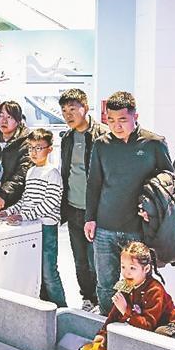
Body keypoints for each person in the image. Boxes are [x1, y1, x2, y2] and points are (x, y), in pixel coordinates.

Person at [85, 91, 173, 315]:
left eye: (122, 119)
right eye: (111, 120)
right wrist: (90, 218)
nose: (116, 126)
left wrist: (154, 209)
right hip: (104, 227)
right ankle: (107, 323)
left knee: (138, 284)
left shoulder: (154, 143)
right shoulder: (101, 145)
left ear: (135, 116)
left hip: (137, 229)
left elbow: (171, 182)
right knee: (105, 284)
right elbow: (94, 183)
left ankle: (135, 325)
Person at [0, 129, 66, 307]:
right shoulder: (31, 172)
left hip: (46, 228)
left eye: (39, 148)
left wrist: (23, 215)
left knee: (49, 272)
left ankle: (62, 309)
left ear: (49, 149)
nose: (34, 152)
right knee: (35, 271)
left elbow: (50, 202)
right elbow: (25, 200)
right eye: (31, 148)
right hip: (30, 228)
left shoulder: (52, 173)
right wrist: (8, 211)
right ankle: (43, 306)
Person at [59, 88, 108, 312]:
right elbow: (67, 172)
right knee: (79, 260)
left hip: (97, 210)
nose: (67, 115)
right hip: (73, 207)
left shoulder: (102, 136)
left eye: (72, 109)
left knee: (96, 259)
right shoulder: (67, 138)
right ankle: (87, 298)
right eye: (64, 110)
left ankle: (102, 300)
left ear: (85, 108)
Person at [92, 241, 175, 350]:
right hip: (151, 328)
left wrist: (125, 310)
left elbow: (148, 325)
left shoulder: (155, 290)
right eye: (123, 267)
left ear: (146, 269)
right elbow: (114, 315)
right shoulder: (126, 285)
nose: (126, 273)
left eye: (132, 268)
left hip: (174, 329)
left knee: (157, 337)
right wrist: (103, 334)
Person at [0, 100, 33, 211]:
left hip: (16, 202)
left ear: (18, 121)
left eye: (9, 117)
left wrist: (3, 195)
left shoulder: (26, 143)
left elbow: (21, 174)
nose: (4, 120)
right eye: (1, 116)